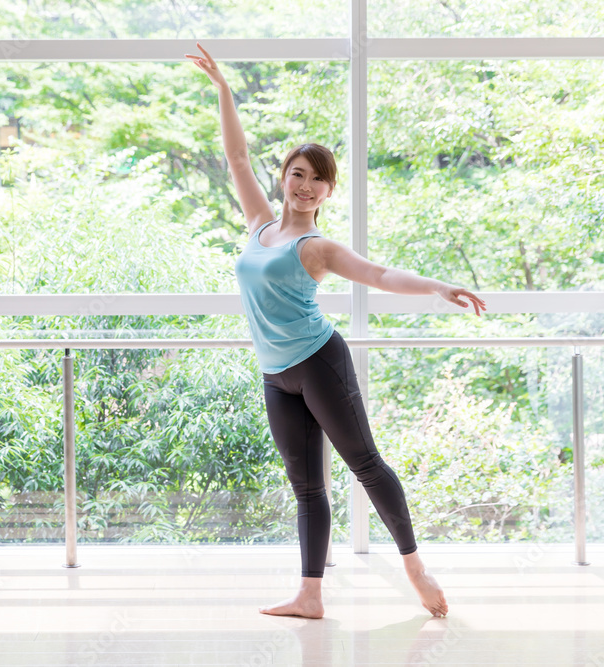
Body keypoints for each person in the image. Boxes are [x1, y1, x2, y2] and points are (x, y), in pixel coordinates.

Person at [185, 42, 487, 619]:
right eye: (298, 174)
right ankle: (310, 594)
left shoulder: (316, 247)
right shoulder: (258, 225)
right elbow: (237, 160)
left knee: (365, 463)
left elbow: (377, 273)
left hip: (319, 362)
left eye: (316, 180)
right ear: (285, 179)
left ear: (327, 192)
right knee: (306, 488)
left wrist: (438, 286)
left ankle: (415, 567)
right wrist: (224, 89)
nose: (305, 185)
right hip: (276, 374)